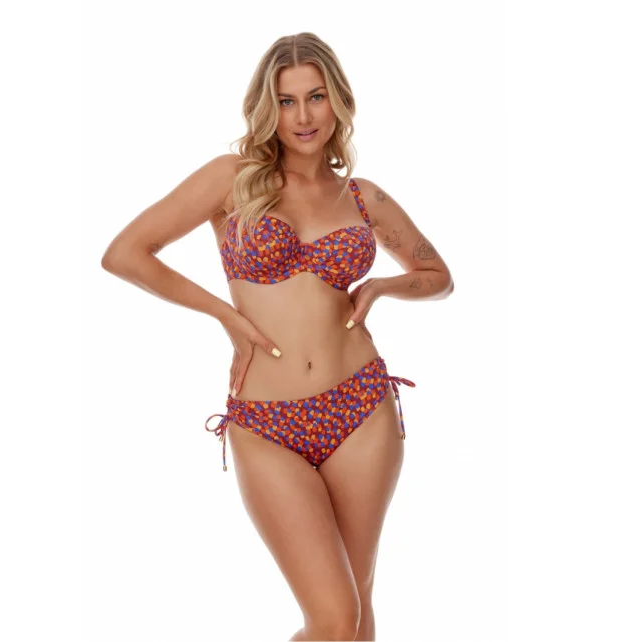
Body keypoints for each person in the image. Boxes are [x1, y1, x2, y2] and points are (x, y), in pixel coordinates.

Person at [101, 32, 454, 642]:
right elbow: (126, 253)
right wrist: (224, 315)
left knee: (356, 611)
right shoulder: (232, 179)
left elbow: (438, 277)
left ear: (338, 100)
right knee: (333, 618)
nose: (303, 116)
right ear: (268, 108)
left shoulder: (363, 197)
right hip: (267, 422)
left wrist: (381, 287)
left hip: (360, 408)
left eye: (315, 97)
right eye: (286, 101)